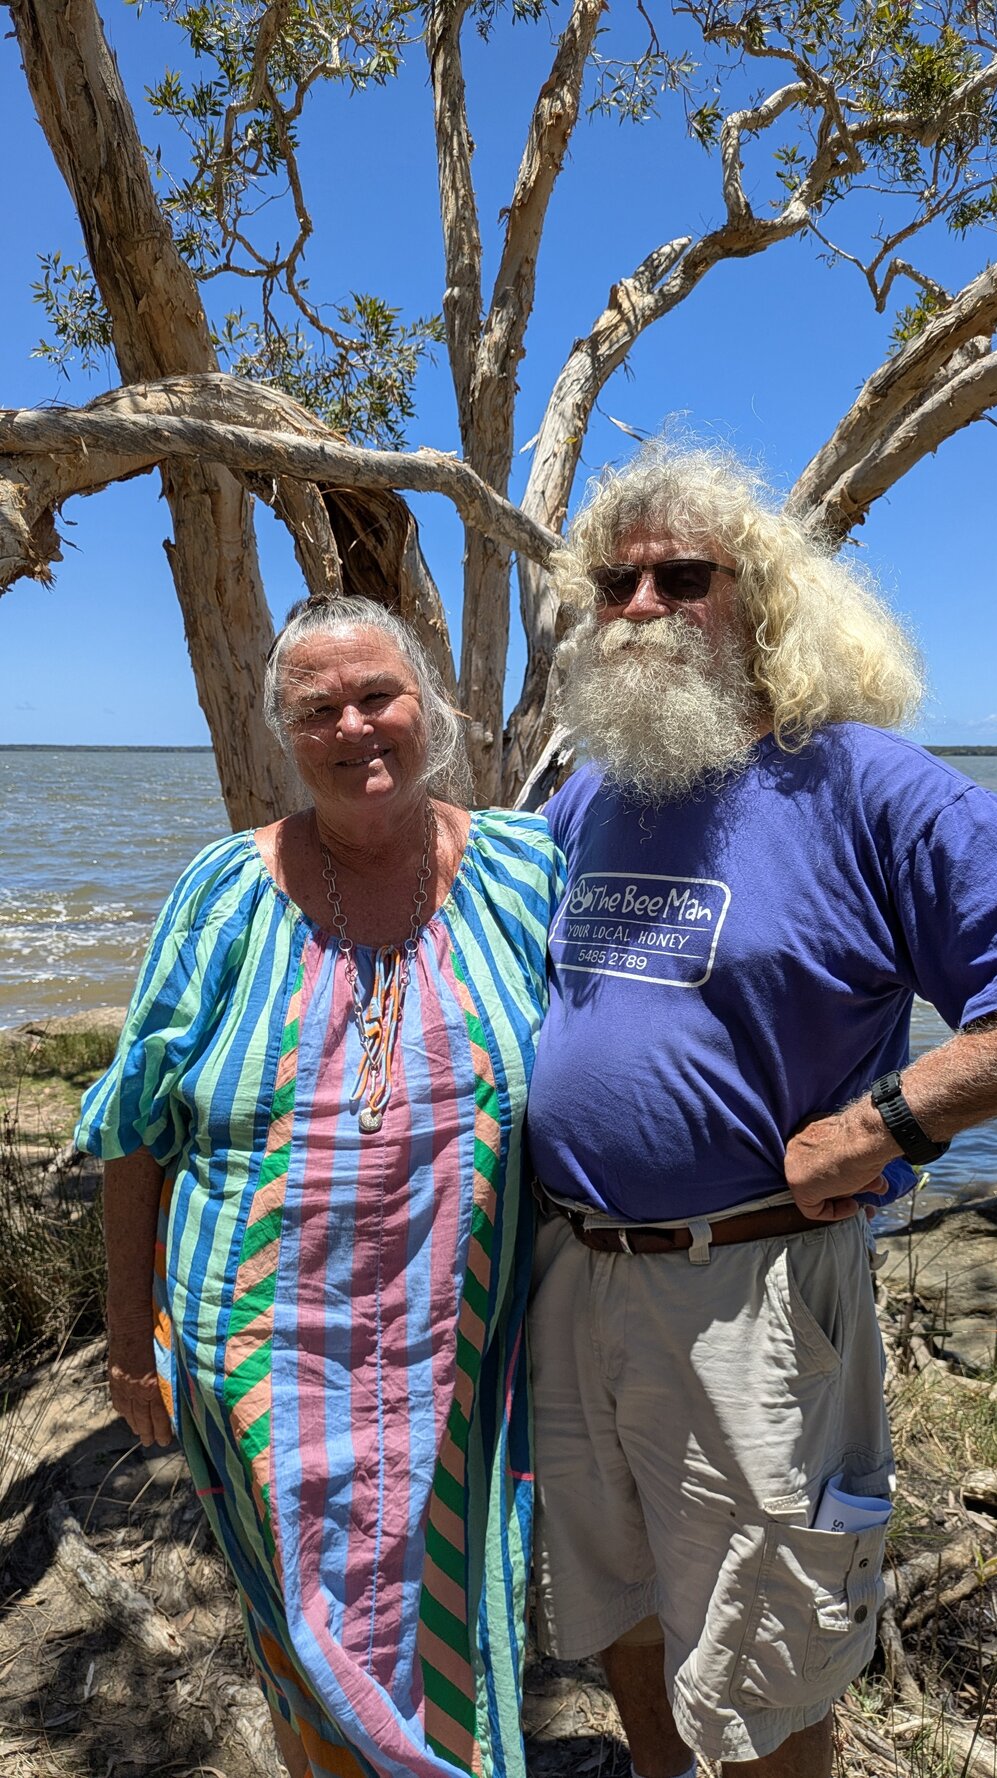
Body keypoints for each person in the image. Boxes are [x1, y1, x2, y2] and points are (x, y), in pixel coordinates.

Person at [524, 442, 997, 1778]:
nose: (639, 606)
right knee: (617, 1612)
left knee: (768, 1666)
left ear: (764, 602)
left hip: (752, 1296)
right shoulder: (594, 792)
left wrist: (891, 1124)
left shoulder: (863, 784)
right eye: (614, 581)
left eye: (684, 576)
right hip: (573, 1280)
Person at [76, 595, 564, 1778]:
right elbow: (135, 1124)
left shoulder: (523, 869)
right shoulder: (226, 891)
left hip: (468, 1345)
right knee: (305, 1623)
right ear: (287, 736)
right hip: (260, 1347)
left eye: (376, 695)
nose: (354, 726)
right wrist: (129, 1335)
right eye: (318, 709)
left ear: (432, 706)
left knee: (464, 1601)